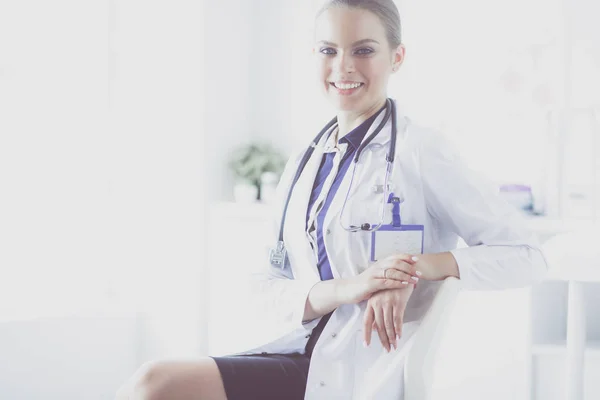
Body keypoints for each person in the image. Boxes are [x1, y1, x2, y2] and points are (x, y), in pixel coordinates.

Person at [115, 0, 548, 399]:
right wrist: (350, 288)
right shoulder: (305, 160)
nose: (343, 66)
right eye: (328, 50)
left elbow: (527, 256)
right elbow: (263, 285)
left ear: (396, 58)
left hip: (361, 370)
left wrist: (409, 269)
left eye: (363, 50)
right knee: (153, 384)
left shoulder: (422, 150)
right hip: (298, 350)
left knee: (155, 386)